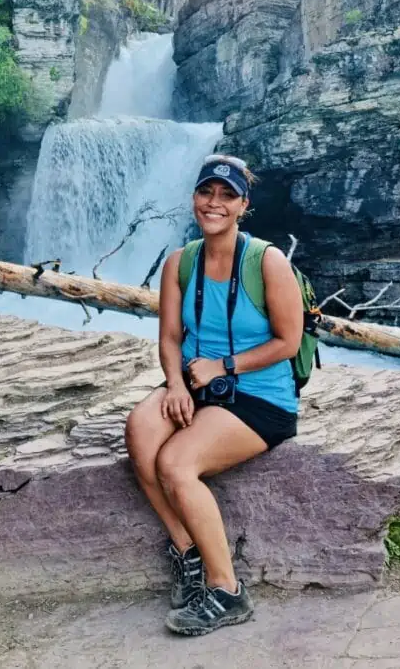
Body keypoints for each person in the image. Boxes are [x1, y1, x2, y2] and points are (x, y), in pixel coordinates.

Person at [124, 153, 304, 636]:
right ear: (194, 198)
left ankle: (227, 591)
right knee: (140, 429)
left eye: (227, 196)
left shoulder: (266, 262)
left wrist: (224, 365)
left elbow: (288, 341)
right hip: (197, 385)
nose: (214, 203)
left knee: (176, 463)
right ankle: (189, 554)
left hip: (260, 397)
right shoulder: (180, 263)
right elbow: (168, 339)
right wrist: (178, 384)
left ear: (243, 205)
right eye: (207, 192)